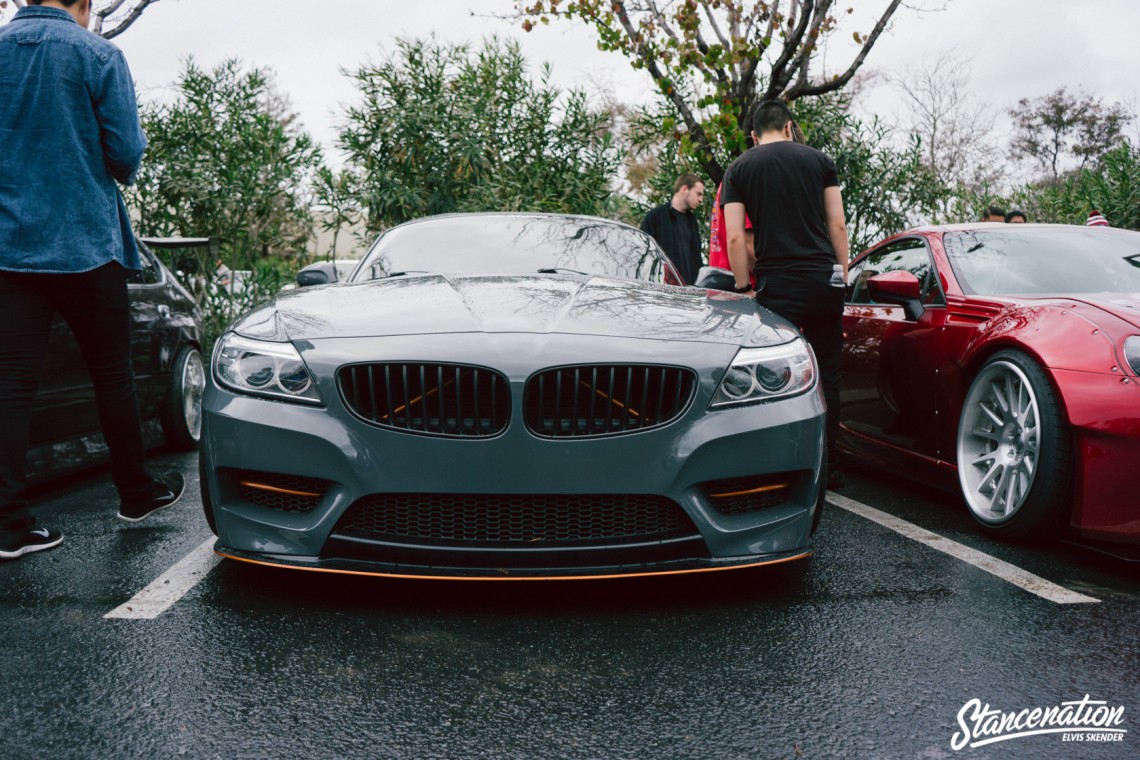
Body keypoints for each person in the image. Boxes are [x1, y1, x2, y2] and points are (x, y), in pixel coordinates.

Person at [0, 0, 185, 561]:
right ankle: (135, 492)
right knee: (112, 373)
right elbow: (126, 155)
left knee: (9, 384)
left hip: (9, 247)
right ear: (83, 5)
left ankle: (9, 524)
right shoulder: (98, 54)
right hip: (85, 245)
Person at [721, 100, 849, 489]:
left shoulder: (740, 168)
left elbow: (734, 236)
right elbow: (837, 224)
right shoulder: (820, 160)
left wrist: (744, 287)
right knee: (827, 370)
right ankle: (830, 469)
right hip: (822, 281)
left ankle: (780, 467)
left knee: (776, 372)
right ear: (790, 127)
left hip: (778, 287)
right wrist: (841, 274)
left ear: (754, 135)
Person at [708, 121, 806, 283]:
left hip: (726, 282)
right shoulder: (751, 178)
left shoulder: (737, 174)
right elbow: (747, 244)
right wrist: (781, 283)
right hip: (745, 288)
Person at [640, 174, 705, 284]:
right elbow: (643, 253)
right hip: (662, 291)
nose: (701, 200)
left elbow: (696, 261)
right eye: (698, 194)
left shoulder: (692, 222)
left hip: (690, 293)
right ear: (684, 189)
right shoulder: (655, 217)